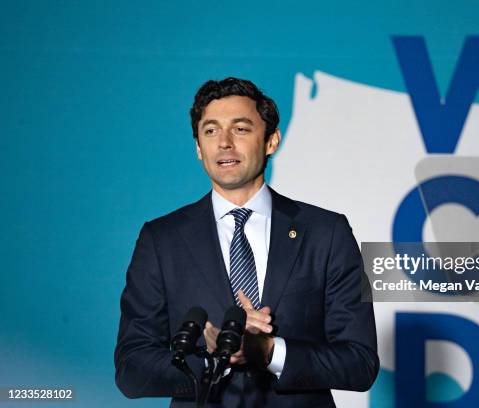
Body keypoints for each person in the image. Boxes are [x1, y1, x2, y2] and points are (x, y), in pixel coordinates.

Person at [114, 77, 379, 407]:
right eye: (210, 131)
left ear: (271, 141)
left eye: (240, 129)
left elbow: (360, 362)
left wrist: (267, 352)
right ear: (198, 148)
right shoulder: (161, 239)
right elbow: (131, 369)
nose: (224, 142)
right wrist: (213, 359)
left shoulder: (326, 232)